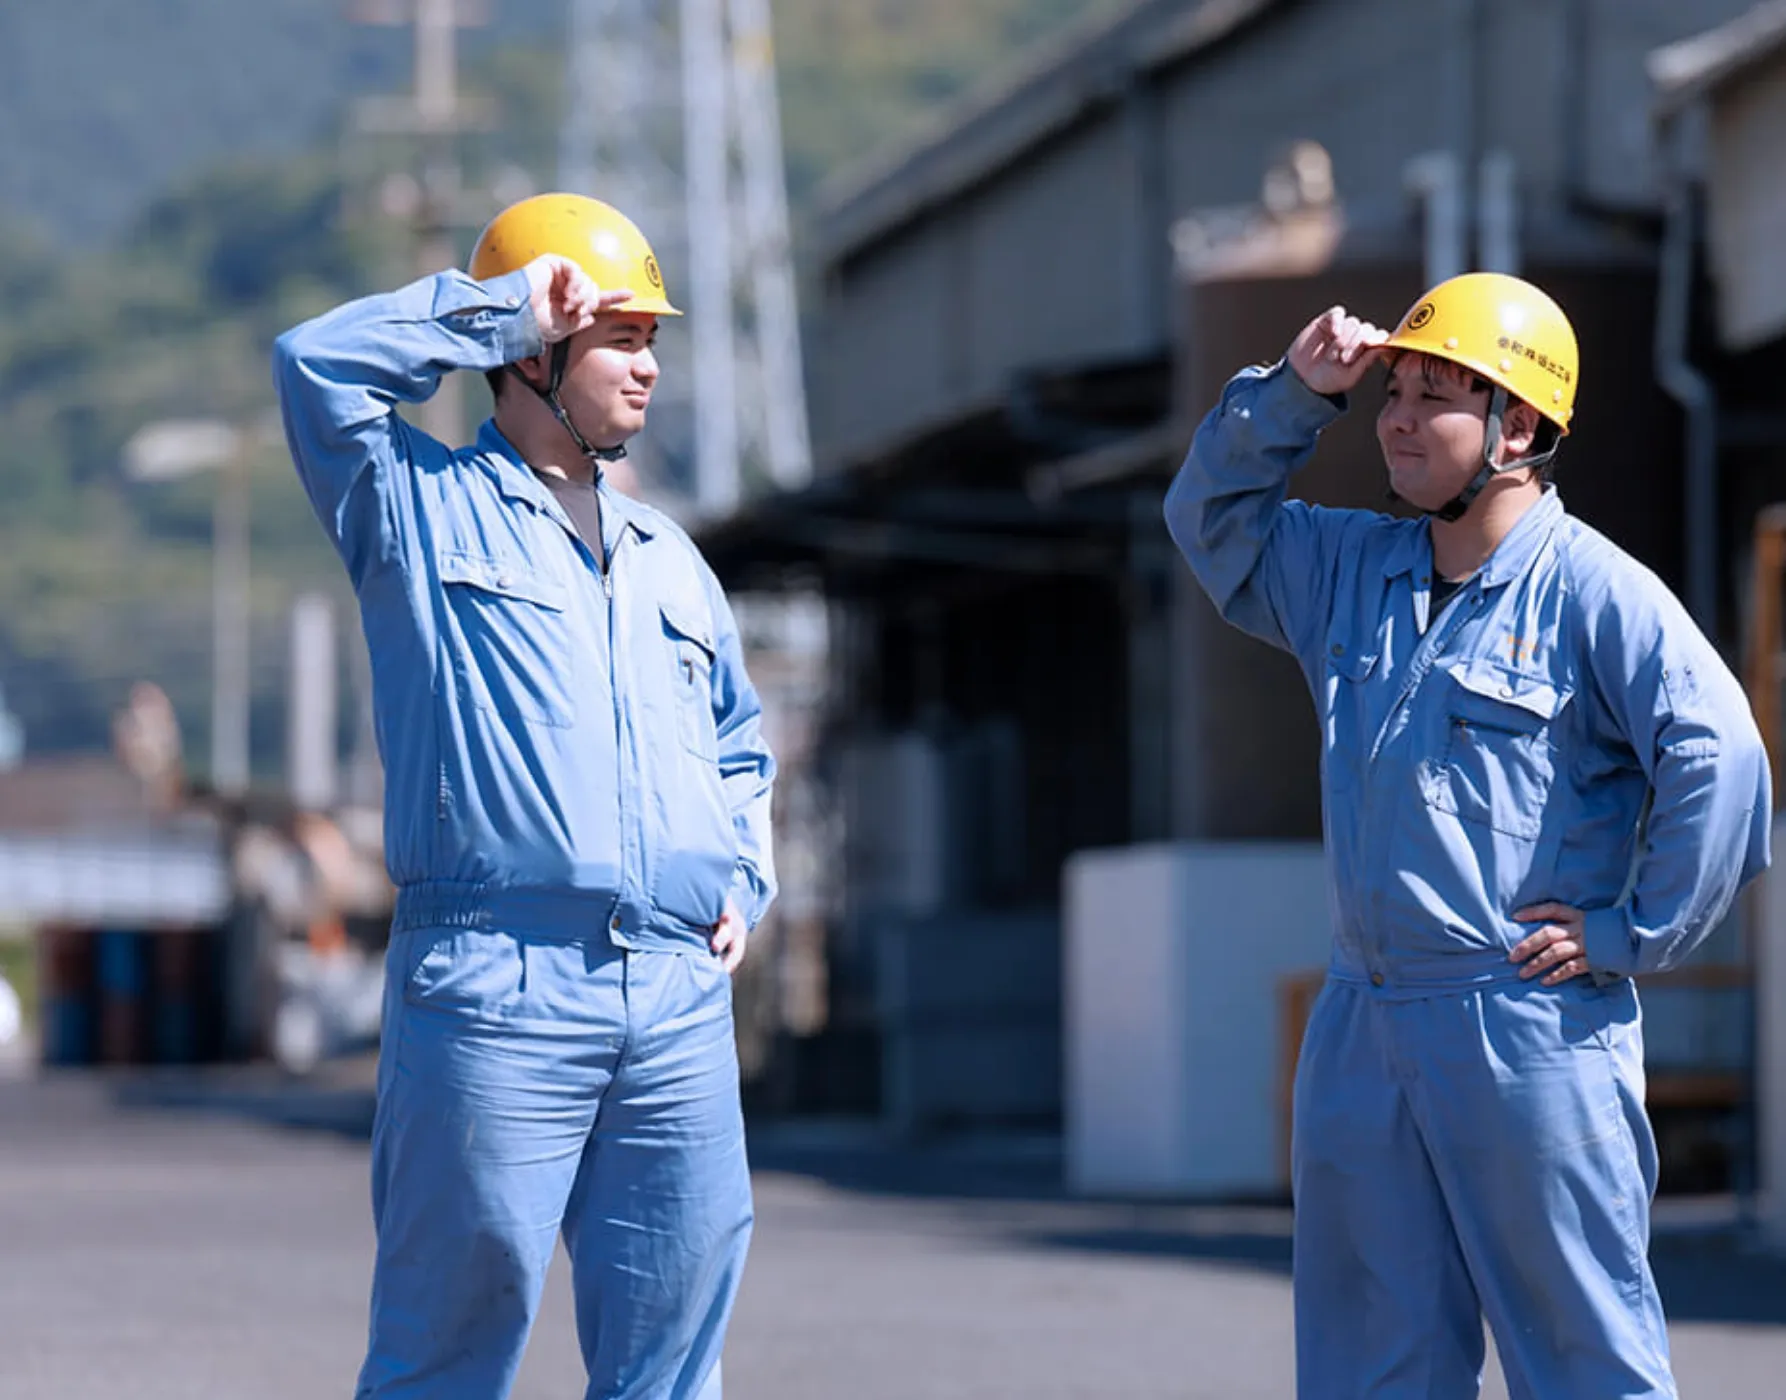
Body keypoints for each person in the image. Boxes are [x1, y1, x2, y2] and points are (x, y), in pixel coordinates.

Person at [1164, 272, 1771, 1398]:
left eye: (1435, 394)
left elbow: (1721, 751)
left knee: (1583, 1357)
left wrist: (1627, 929)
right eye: (1394, 388)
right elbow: (1211, 521)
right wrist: (1293, 394)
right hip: (1362, 1022)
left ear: (1520, 426)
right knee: (1365, 1363)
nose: (1396, 416)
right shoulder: (1349, 570)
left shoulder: (1594, 592)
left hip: (1524, 1029)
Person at [273, 192, 776, 1400]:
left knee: (674, 1363)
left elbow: (740, 746)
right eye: (621, 337)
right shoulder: (412, 505)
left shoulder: (672, 560)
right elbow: (313, 369)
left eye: (653, 340)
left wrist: (744, 879)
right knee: (447, 1353)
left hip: (673, 1000)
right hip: (496, 985)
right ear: (536, 356)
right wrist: (494, 305)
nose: (646, 368)